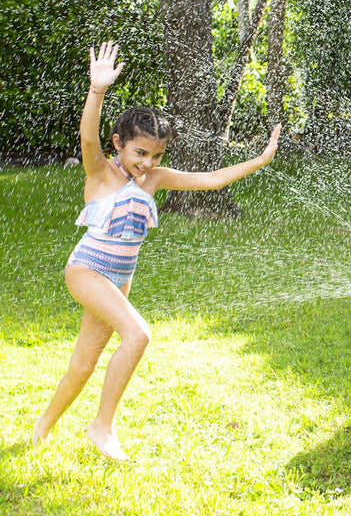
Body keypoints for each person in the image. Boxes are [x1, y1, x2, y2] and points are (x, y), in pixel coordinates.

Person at [33, 42, 281, 461]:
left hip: (118, 279)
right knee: (138, 335)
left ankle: (39, 432)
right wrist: (97, 91)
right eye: (140, 153)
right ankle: (102, 426)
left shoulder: (155, 178)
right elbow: (86, 136)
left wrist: (260, 159)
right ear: (119, 144)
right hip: (87, 270)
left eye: (157, 154)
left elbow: (214, 180)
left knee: (83, 363)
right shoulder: (101, 173)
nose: (147, 163)